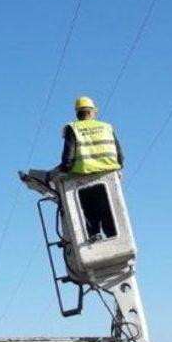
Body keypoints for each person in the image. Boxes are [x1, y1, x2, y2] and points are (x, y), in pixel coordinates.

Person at [57, 96, 124, 240]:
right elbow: (120, 157)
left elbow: (68, 160)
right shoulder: (107, 127)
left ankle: (94, 235)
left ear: (77, 114)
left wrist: (60, 172)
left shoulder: (73, 128)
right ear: (92, 112)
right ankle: (113, 236)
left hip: (83, 181)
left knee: (89, 214)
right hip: (108, 180)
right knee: (110, 215)